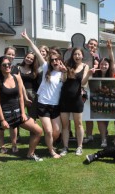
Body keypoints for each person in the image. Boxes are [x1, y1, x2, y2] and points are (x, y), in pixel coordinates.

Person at [21, 30, 66, 158]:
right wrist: (28, 39)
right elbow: (36, 50)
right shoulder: (46, 67)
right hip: (43, 104)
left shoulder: (63, 71)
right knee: (48, 130)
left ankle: (50, 144)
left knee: (57, 131)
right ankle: (51, 151)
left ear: (60, 59)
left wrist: (65, 71)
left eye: (57, 59)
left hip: (55, 106)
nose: (55, 62)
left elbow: (69, 81)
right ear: (50, 61)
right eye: (52, 60)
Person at [59, 48, 95, 156]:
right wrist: (64, 71)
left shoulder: (85, 66)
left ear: (82, 56)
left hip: (77, 99)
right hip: (64, 99)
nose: (77, 56)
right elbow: (64, 80)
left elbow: (83, 83)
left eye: (79, 54)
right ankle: (65, 147)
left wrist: (88, 74)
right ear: (72, 55)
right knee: (65, 125)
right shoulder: (67, 64)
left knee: (78, 124)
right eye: (75, 54)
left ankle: (79, 147)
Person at [93, 40, 115, 147]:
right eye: (102, 64)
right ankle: (103, 139)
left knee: (105, 120)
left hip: (109, 101)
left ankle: (104, 132)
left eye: (106, 64)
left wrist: (110, 49)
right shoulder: (95, 73)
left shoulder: (111, 73)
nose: (104, 66)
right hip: (98, 101)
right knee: (100, 119)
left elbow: (113, 62)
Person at [85, 38, 100, 141]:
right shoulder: (81, 54)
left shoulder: (96, 57)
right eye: (91, 44)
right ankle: (87, 134)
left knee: (92, 110)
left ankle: (93, 133)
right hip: (83, 85)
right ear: (87, 45)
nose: (92, 46)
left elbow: (97, 66)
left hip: (93, 86)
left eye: (95, 45)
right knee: (85, 111)